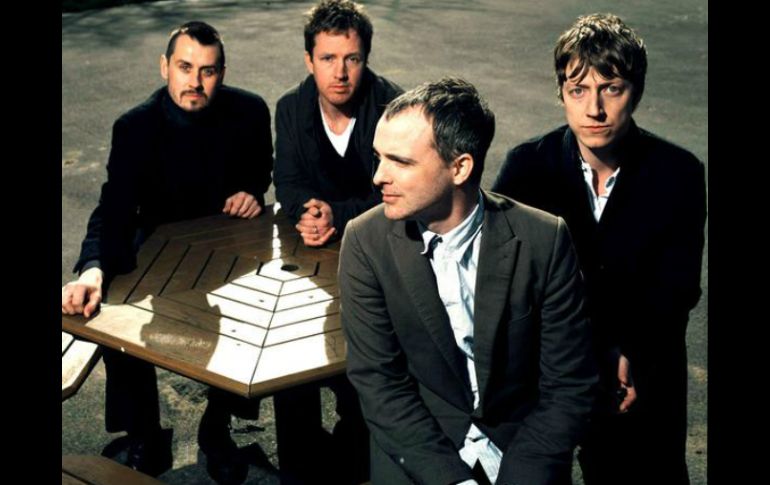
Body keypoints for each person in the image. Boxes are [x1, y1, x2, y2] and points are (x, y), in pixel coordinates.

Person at [339, 78, 598, 485]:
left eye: (400, 162)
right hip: (420, 449)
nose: (378, 177)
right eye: (378, 157)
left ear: (459, 167)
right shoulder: (364, 241)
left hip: (523, 449)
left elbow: (568, 385)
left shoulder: (544, 240)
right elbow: (379, 383)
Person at [491, 14, 706, 485]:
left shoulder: (679, 172)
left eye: (611, 88)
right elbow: (503, 276)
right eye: (578, 90)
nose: (595, 109)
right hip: (551, 367)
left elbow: (677, 286)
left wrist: (632, 352)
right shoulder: (527, 167)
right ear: (562, 93)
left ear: (636, 91)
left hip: (643, 367)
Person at [60, 21, 273, 484]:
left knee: (252, 315)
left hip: (223, 243)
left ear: (222, 73)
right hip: (154, 244)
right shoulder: (135, 127)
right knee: (115, 310)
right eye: (185, 67)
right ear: (165, 67)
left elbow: (261, 169)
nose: (195, 81)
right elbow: (114, 208)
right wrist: (92, 269)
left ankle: (217, 428)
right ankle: (144, 434)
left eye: (208, 71)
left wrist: (251, 192)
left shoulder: (249, 111)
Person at [274, 0, 402, 248]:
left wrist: (338, 216)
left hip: (384, 239)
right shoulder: (291, 108)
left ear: (365, 59)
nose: (340, 73)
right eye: (328, 58)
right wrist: (310, 214)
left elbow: (399, 194)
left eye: (352, 59)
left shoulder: (394, 109)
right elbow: (288, 183)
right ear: (309, 61)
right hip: (313, 236)